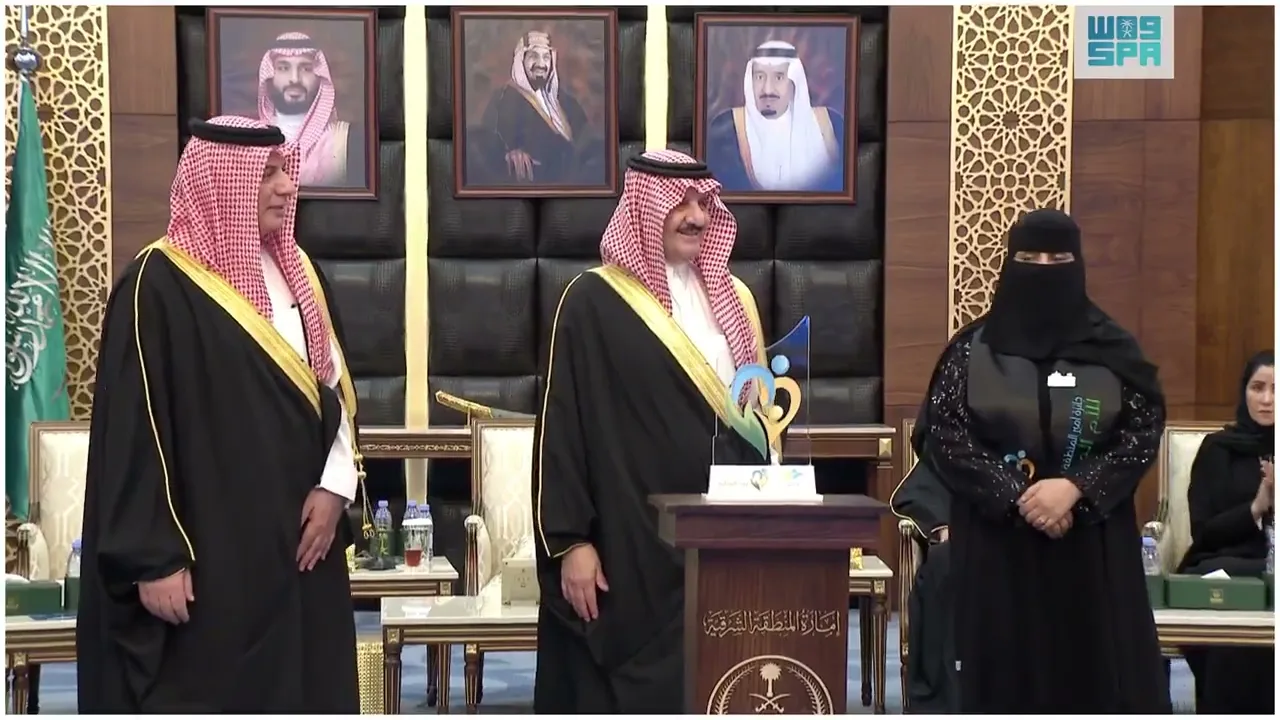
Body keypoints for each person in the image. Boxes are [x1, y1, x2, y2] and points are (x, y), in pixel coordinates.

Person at [75, 116, 363, 713]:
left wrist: (336, 488)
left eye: (286, 171)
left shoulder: (301, 273)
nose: (287, 186)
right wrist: (153, 557)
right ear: (222, 183)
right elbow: (134, 435)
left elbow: (331, 391)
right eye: (269, 174)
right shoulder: (155, 286)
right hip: (209, 559)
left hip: (300, 548)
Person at [531, 150, 768, 713]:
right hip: (627, 547)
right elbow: (562, 431)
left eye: (703, 203)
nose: (696, 217)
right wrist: (571, 542)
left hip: (719, 543)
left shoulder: (734, 300)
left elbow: (757, 417)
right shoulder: (591, 301)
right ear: (644, 208)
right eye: (679, 203)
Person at [915, 208, 1171, 713]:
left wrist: (1076, 488)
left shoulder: (1114, 350)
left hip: (1092, 548)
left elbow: (1142, 430)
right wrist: (1018, 497)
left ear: (1080, 264)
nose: (1044, 270)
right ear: (1010, 263)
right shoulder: (972, 351)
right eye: (1030, 258)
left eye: (1058, 259)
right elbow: (945, 434)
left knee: (1095, 677)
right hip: (999, 548)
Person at [1177, 350, 1274, 714]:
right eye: (1257, 387)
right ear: (1244, 391)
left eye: (1276, 389)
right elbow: (1203, 531)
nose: (1267, 399)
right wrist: (1257, 506)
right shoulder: (1218, 449)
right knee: (1227, 600)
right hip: (1226, 563)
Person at [705, 40, 845, 193]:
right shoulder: (726, 130)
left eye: (779, 77)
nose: (768, 90)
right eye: (759, 77)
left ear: (794, 83)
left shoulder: (831, 125)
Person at [470, 31, 600, 187]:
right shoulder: (502, 99)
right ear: (521, 60)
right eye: (533, 56)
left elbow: (587, 137)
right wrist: (509, 153)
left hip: (571, 186)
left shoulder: (565, 101)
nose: (541, 64)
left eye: (546, 57)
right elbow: (486, 144)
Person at [889, 415, 957, 713]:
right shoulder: (952, 437)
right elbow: (917, 493)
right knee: (945, 562)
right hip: (962, 543)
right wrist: (943, 524)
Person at [258, 31, 365, 188]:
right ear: (270, 75)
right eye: (283, 68)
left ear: (319, 77)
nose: (294, 79)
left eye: (306, 69)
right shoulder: (252, 137)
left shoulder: (346, 140)